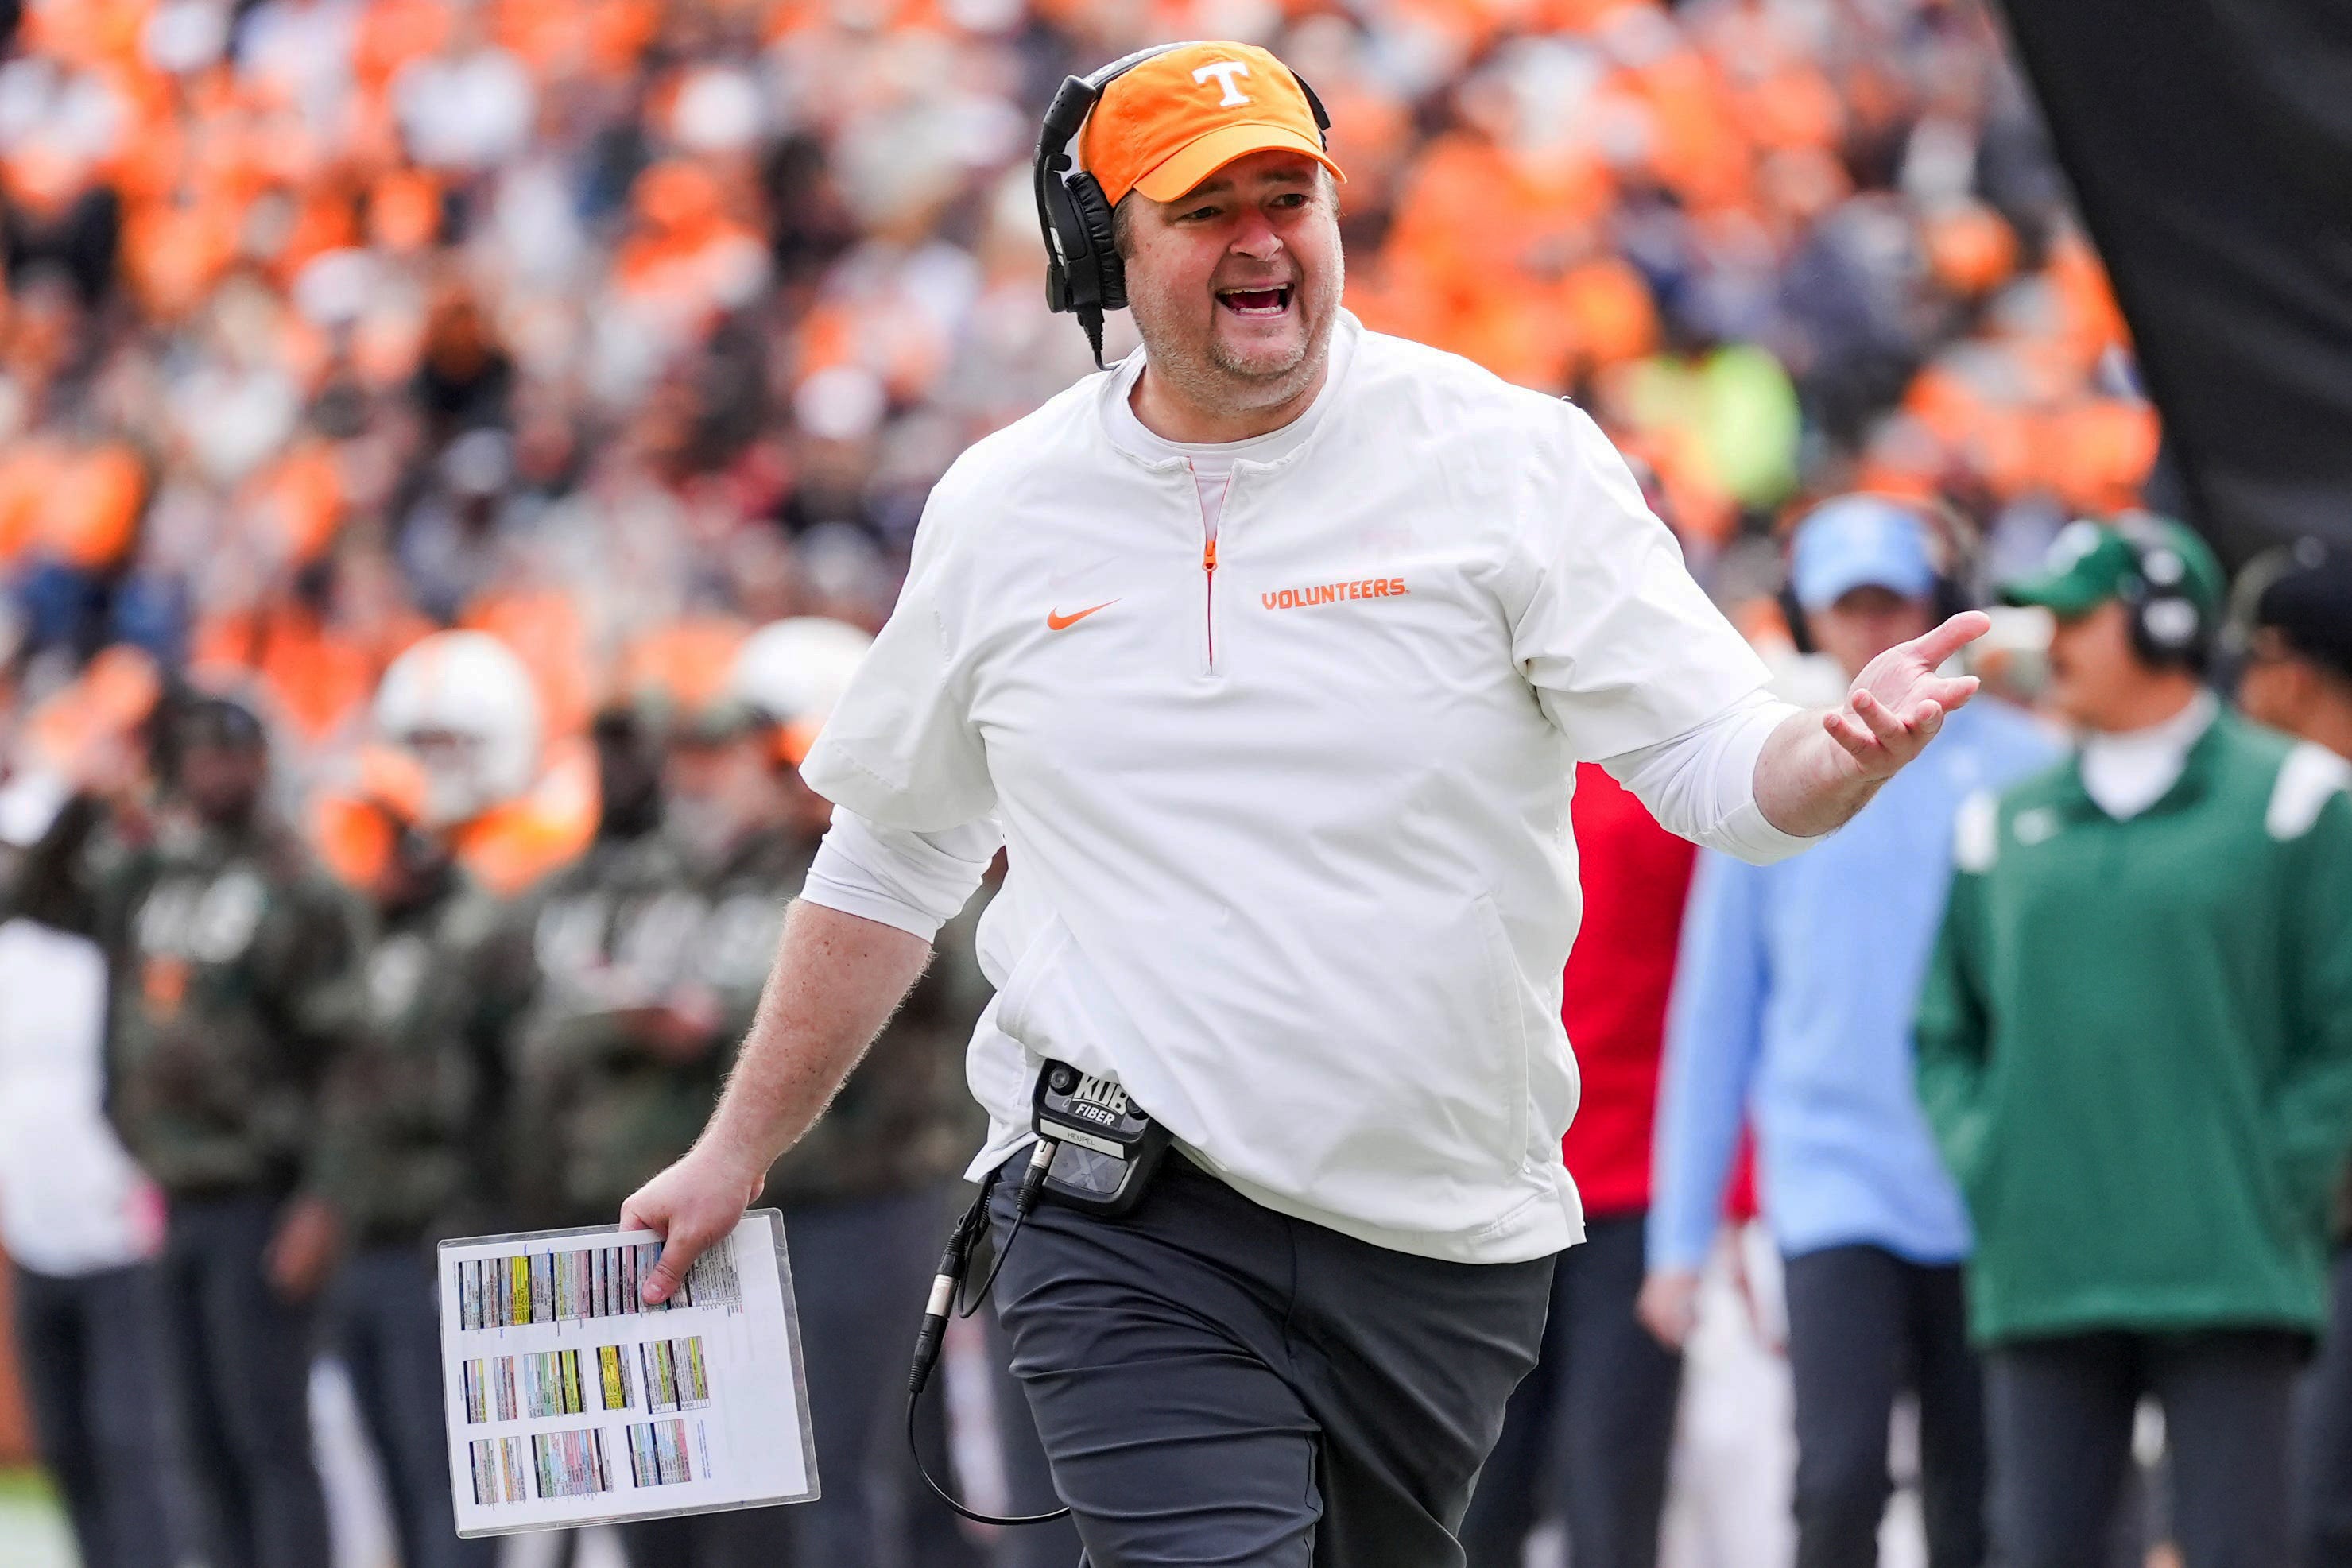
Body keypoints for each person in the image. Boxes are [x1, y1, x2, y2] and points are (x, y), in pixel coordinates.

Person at [622, 41, 1991, 1566]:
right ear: (1103, 256)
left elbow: (1719, 770)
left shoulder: (1505, 459)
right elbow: (895, 848)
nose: (1262, 238)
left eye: (1290, 195)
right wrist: (736, 1147)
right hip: (1117, 1202)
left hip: (1439, 1223)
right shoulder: (1003, 507)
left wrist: (1836, 753)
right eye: (1206, 208)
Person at [1915, 515, 2352, 1568]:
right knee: (2036, 1547)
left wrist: (2272, 1181)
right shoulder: (1998, 823)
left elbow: (2338, 1033)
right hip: (2047, 1265)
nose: (2047, 639)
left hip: (2226, 1267)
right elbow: (1941, 1031)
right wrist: (1992, 1161)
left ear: (2162, 622)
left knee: (2241, 1547)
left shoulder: (2296, 804)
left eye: (2076, 615)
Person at [1641, 498, 2056, 1568]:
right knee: (1834, 1478)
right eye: (1848, 605)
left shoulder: (2023, 770)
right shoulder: (1770, 776)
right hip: (1829, 1176)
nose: (1873, 628)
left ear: (1935, 603)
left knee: (1980, 1486)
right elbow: (1715, 1015)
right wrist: (1677, 1241)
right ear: (1807, 617)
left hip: (1986, 1171)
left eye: (1892, 600)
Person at [19, 692, 362, 1568]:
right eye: (197, 754)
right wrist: (89, 797)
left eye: (231, 753)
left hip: (261, 1189)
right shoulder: (153, 874)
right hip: (171, 1189)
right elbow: (32, 892)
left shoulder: (298, 882)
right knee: (195, 1441)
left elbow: (346, 1058)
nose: (215, 770)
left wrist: (322, 1197)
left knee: (266, 1439)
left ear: (262, 762)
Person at [310, 632, 545, 1568]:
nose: (429, 776)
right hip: (376, 1223)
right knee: (397, 1491)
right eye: (421, 746)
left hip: (468, 1224)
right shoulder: (374, 882)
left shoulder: (525, 878)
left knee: (470, 1500)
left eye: (452, 748)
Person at [1458, 758, 1695, 1568]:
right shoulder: (1473, 762)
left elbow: (1714, 996)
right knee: (1473, 1488)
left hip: (1628, 1185)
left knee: (1609, 1485)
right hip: (1486, 1187)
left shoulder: (1657, 781)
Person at [0, 759, 183, 1568]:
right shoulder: (9, 952)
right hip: (34, 1227)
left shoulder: (120, 948)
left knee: (133, 1440)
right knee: (67, 1442)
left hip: (118, 1227)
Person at [2232, 540, 2352, 1568]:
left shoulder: (2299, 817)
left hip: (2309, 1221)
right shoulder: (2271, 815)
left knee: (2307, 1519)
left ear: (2291, 671)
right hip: (2295, 1221)